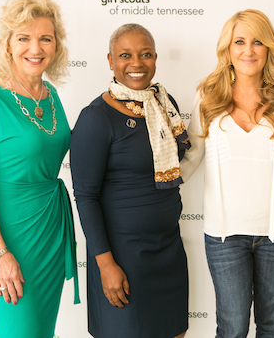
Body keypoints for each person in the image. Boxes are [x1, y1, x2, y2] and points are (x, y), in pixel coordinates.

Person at [180, 9, 274, 338]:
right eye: (240, 42)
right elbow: (190, 159)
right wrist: (148, 185)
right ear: (227, 50)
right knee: (231, 328)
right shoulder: (208, 97)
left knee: (272, 326)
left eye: (257, 41)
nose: (248, 50)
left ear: (269, 48)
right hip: (224, 237)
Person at [70, 24, 190, 338]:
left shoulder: (164, 104)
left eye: (145, 54)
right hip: (122, 258)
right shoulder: (96, 117)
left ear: (155, 59)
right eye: (125, 55)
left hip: (168, 251)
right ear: (110, 61)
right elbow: (85, 196)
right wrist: (105, 265)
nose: (136, 63)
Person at [0, 0, 79, 337]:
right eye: (24, 38)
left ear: (56, 46)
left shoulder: (51, 94)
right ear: (7, 44)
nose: (35, 48)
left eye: (44, 38)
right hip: (10, 236)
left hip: (50, 229)